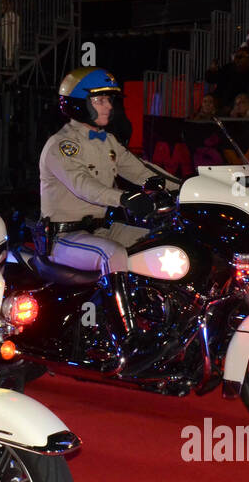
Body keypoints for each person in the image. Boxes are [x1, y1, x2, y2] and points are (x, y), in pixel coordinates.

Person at [38, 68, 179, 337]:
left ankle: (161, 318)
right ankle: (126, 334)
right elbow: (83, 185)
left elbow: (142, 171)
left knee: (159, 242)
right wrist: (123, 198)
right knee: (111, 254)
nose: (109, 106)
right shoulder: (61, 145)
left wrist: (186, 187)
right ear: (79, 103)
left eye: (109, 100)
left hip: (101, 230)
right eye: (100, 100)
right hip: (65, 237)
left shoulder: (108, 141)